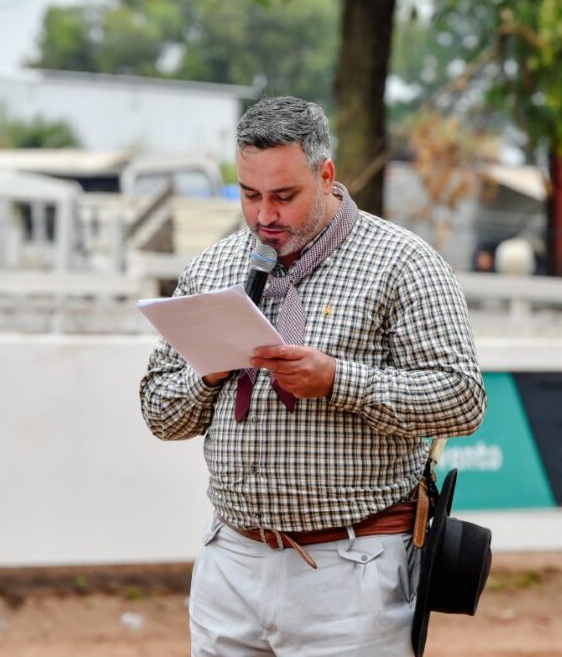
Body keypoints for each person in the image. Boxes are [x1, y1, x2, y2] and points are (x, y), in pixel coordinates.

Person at [139, 96, 486, 656]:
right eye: (249, 195)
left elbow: (463, 400)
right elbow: (159, 413)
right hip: (231, 561)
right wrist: (208, 373)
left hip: (352, 568)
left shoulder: (403, 263)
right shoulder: (211, 268)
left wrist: (339, 382)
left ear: (326, 176)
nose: (264, 216)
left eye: (284, 196)